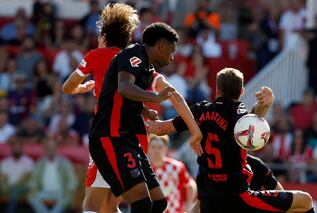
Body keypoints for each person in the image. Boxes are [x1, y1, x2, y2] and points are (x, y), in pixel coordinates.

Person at [147, 68, 315, 212]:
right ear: (241, 92)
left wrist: (140, 117)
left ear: (217, 89)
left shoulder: (198, 111)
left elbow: (162, 129)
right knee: (305, 201)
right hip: (237, 197)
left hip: (208, 203)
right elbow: (252, 120)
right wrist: (266, 103)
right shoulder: (239, 112)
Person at [88, 22, 203, 213]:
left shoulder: (146, 68)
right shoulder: (133, 54)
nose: (172, 57)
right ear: (161, 46)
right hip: (111, 137)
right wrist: (155, 98)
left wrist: (143, 110)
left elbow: (121, 96)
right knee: (140, 204)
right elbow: (124, 88)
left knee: (159, 204)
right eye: (171, 51)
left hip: (128, 140)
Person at [62, 3, 140, 212]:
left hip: (105, 134)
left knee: (91, 205)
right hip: (129, 136)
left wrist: (81, 89)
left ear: (104, 35)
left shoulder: (95, 55)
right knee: (109, 206)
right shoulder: (134, 60)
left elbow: (66, 87)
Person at [148, 134, 197, 213]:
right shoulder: (145, 169)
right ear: (148, 148)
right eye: (153, 147)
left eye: (160, 147)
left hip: (175, 210)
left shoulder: (176, 167)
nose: (156, 150)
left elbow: (190, 186)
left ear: (165, 148)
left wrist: (188, 205)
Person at [27, 138, 78, 213]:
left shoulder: (64, 163)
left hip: (61, 192)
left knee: (67, 198)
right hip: (44, 192)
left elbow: (72, 180)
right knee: (31, 197)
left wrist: (68, 190)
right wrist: (33, 188)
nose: (50, 150)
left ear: (56, 149)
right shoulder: (40, 163)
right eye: (48, 148)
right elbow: (33, 179)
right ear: (44, 150)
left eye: (53, 148)